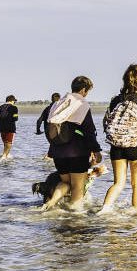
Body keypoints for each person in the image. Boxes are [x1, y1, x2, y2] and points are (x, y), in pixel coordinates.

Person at [100, 64, 137, 213]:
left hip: (116, 147)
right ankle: (136, 216)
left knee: (118, 183)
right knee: (136, 183)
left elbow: (107, 123)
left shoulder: (115, 101)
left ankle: (104, 210)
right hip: (136, 147)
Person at [43, 76, 102, 208]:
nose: (86, 95)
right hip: (77, 152)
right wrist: (96, 150)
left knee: (66, 183)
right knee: (77, 187)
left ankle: (50, 203)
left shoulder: (57, 104)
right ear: (83, 90)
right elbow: (89, 130)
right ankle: (75, 217)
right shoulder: (81, 104)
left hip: (58, 152)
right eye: (87, 91)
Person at [0, 95, 20, 159]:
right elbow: (15, 118)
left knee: (5, 143)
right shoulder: (14, 108)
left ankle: (5, 155)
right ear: (12, 101)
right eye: (14, 101)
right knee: (9, 144)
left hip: (1, 128)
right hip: (10, 128)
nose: (14, 103)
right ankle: (4, 157)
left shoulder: (0, 107)